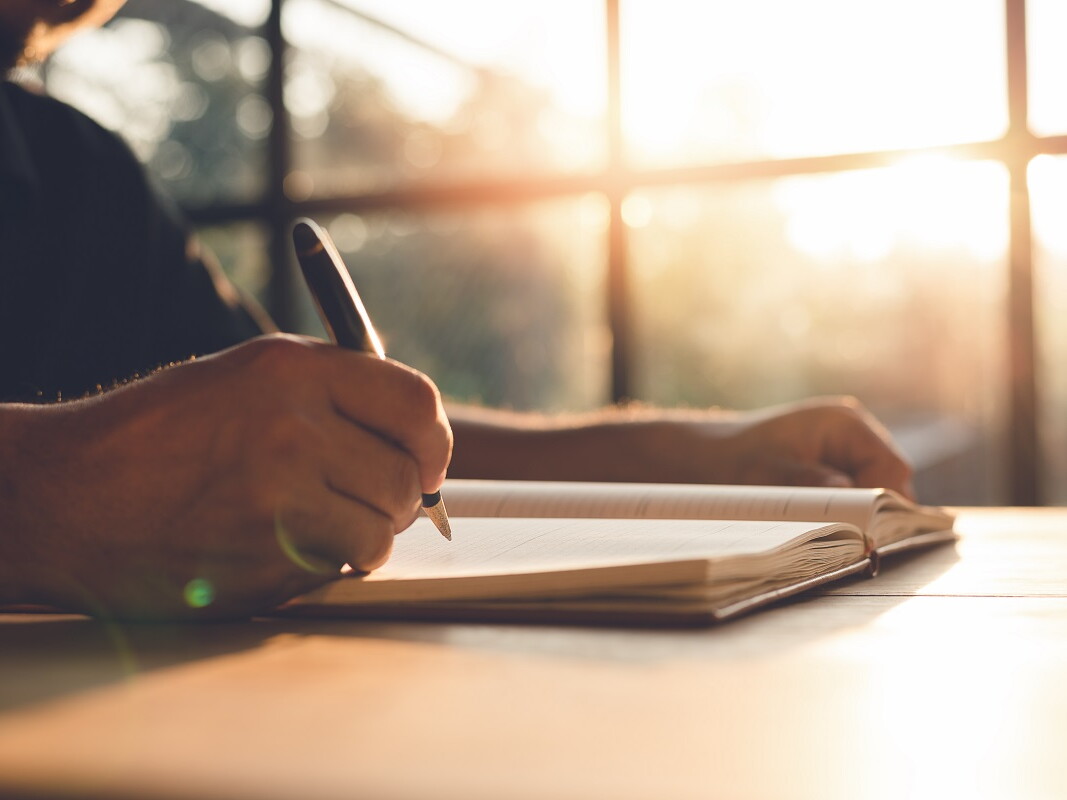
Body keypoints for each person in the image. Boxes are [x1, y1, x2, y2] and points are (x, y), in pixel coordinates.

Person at [0, 0, 912, 621]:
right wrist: (54, 493)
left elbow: (327, 433)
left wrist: (684, 455)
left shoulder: (76, 170)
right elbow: (124, 472)